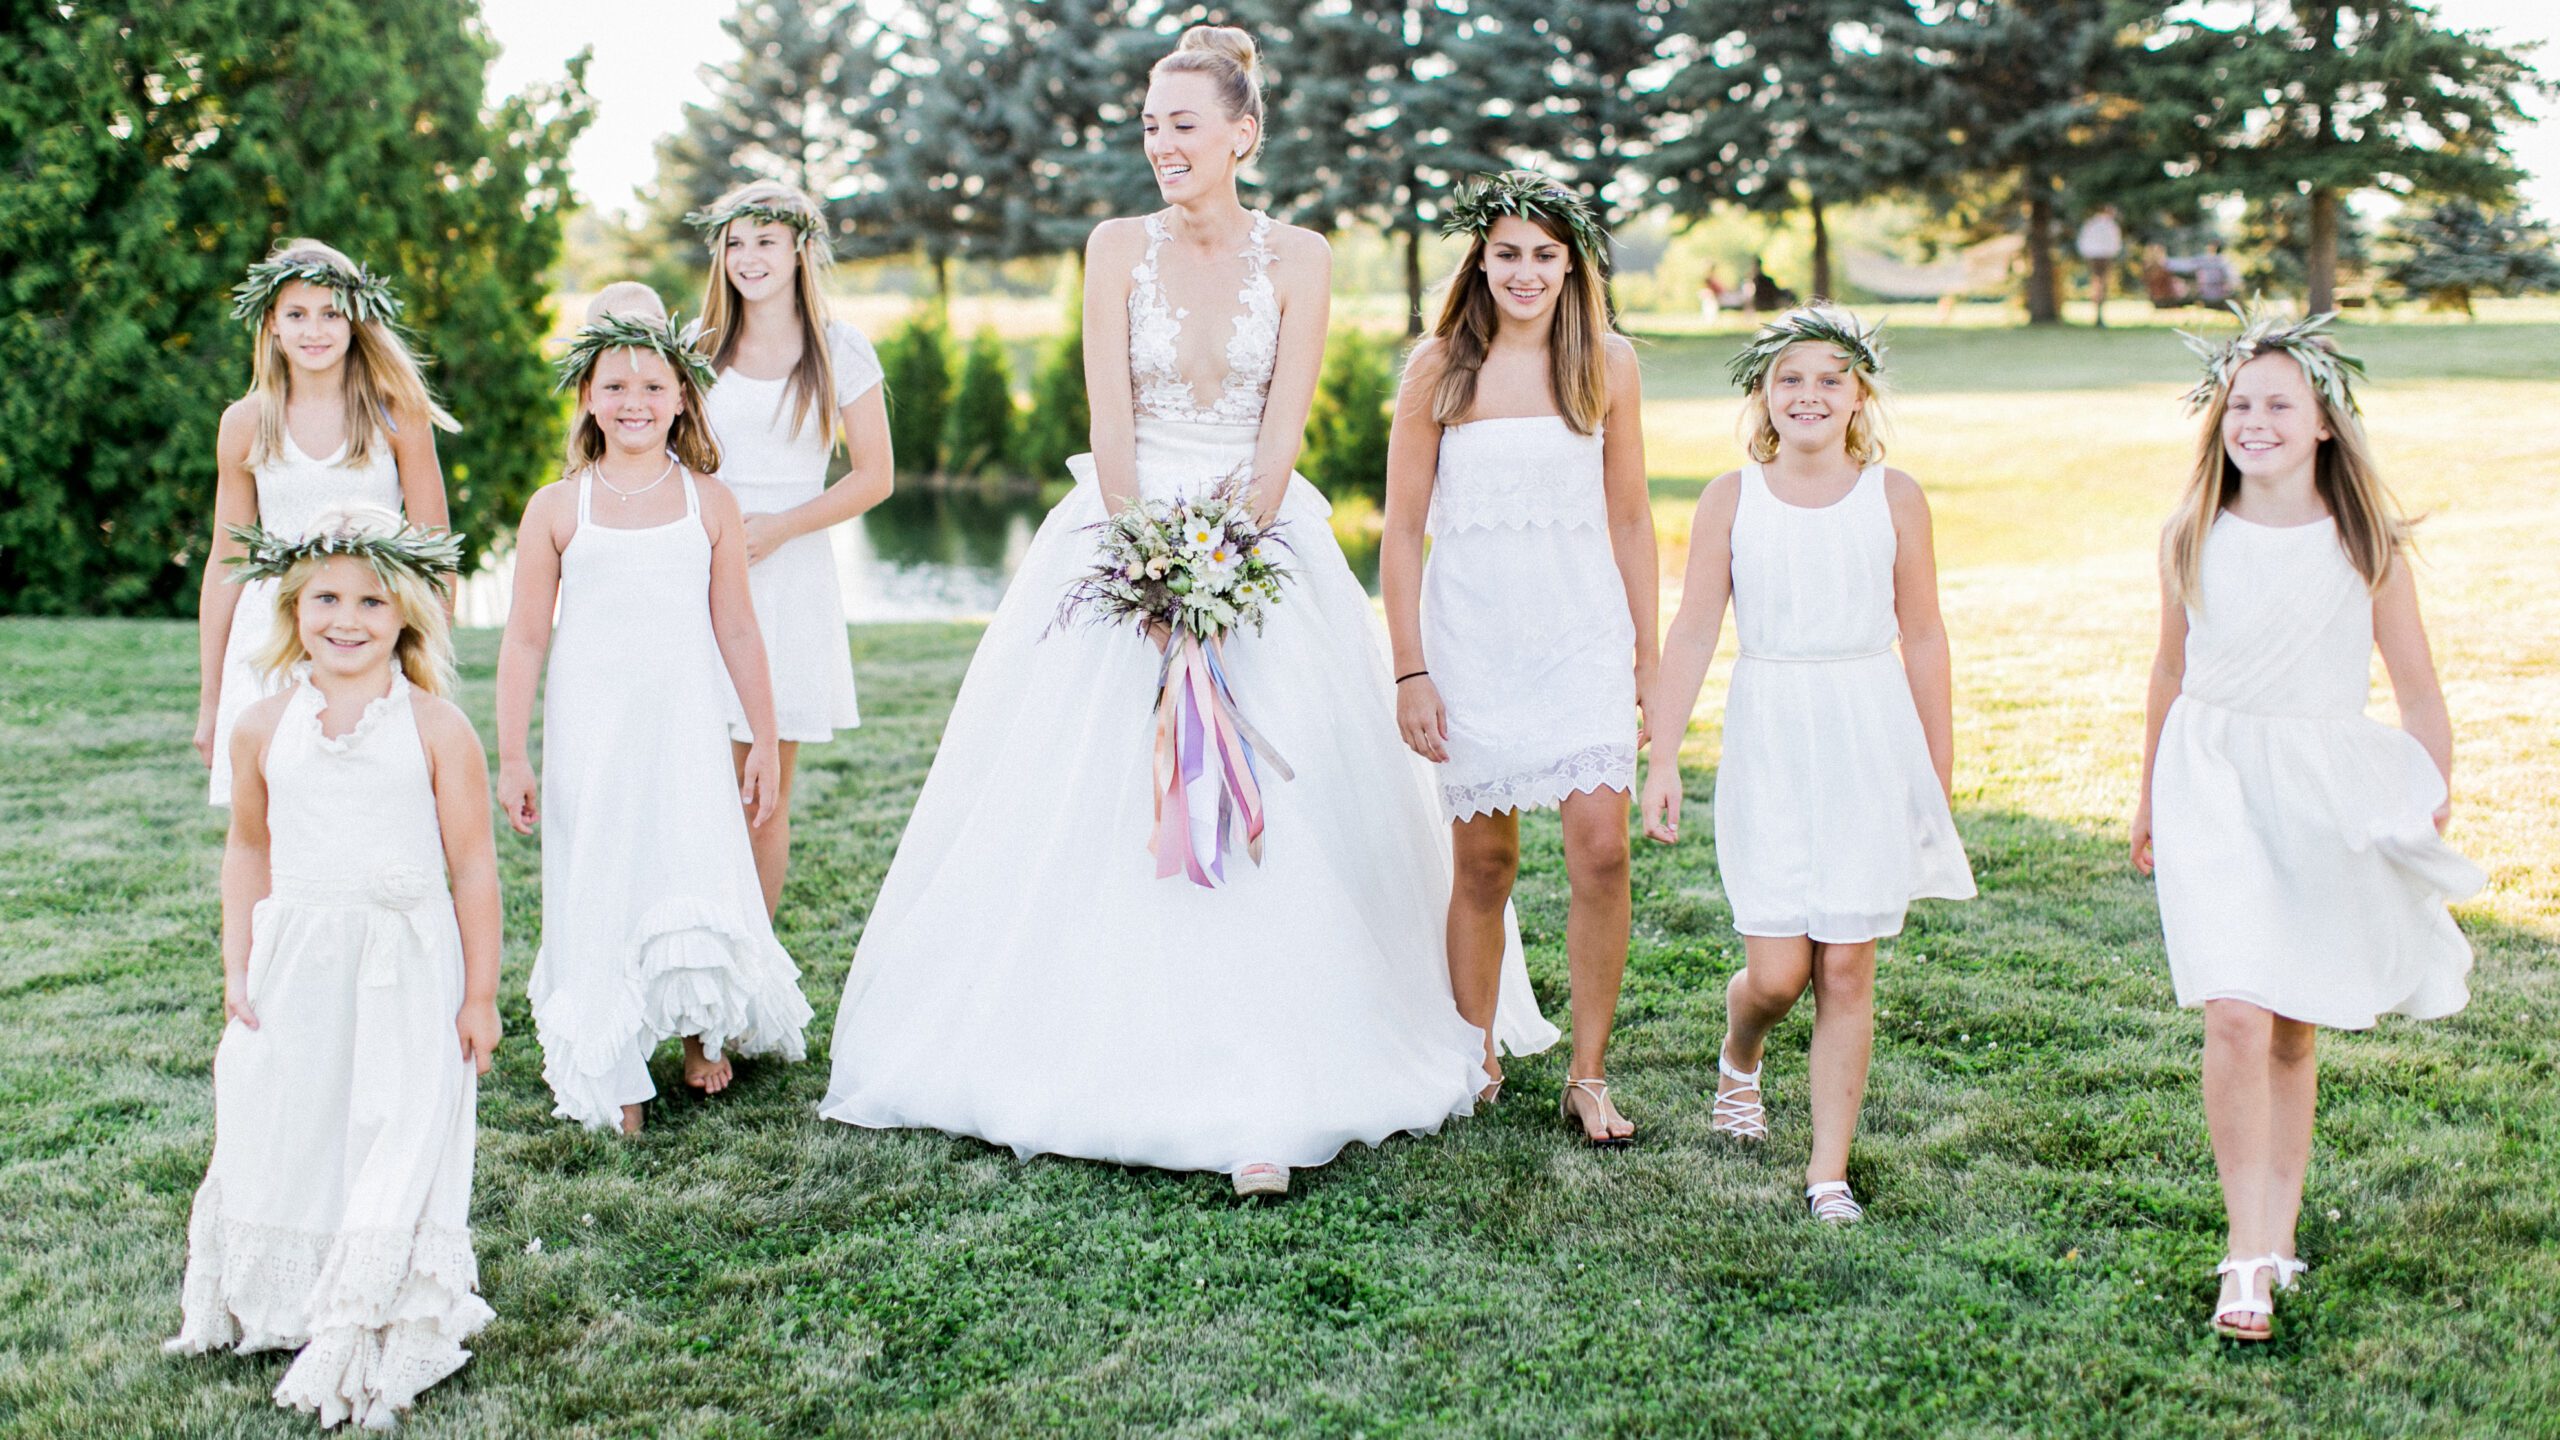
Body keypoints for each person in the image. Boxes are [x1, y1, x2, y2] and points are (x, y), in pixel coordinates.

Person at [819, 25, 1551, 1198]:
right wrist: (1149, 567)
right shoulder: (1114, 246)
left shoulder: (1300, 256)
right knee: (1088, 797)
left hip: (1258, 538)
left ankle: (1282, 1068)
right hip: (1124, 531)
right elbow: (1108, 417)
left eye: (1183, 125)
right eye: (1151, 125)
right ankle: (1079, 1047)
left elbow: (1282, 427)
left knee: (1296, 809)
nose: (1161, 143)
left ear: (1241, 135)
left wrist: (1226, 559)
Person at [2132, 308, 2482, 1340]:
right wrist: (2148, 790)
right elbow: (2167, 671)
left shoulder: (2360, 545)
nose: (2256, 420)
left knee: (2289, 1023)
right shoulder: (2192, 533)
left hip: (2318, 787)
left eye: (2279, 403)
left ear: (2325, 421)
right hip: (2211, 777)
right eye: (2239, 403)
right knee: (2234, 1009)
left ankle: (2276, 1227)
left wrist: (2423, 794)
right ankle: (2243, 1254)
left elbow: (2418, 695)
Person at [1641, 306, 1976, 1224]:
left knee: (1848, 968)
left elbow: (1926, 636)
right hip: (1772, 732)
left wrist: (1933, 774)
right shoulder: (1730, 498)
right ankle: (1740, 1051)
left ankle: (1828, 1171)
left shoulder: (1894, 495)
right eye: (1790, 377)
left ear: (1861, 392)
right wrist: (1663, 753)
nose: (1811, 394)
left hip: (1867, 731)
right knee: (1781, 972)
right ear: (1763, 394)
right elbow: (1696, 627)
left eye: (1832, 377)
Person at [165, 506, 498, 1429]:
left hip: (406, 962)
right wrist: (240, 965)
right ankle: (293, 1289)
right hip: (302, 959)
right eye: (325, 599)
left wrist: (479, 994)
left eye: (370, 602)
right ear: (293, 606)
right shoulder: (262, 725)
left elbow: (473, 865)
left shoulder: (436, 727)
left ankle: (376, 1293)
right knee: (295, 1116)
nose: (345, 618)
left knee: (397, 1120)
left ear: (405, 618)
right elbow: (248, 849)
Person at [495, 285, 812, 1135]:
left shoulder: (709, 501)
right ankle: (613, 1056)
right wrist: (514, 755)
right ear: (588, 398)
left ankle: (703, 1035)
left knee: (690, 858)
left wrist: (758, 735)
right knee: (600, 872)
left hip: (680, 725)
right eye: (614, 386)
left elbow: (738, 627)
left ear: (681, 397)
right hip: (589, 731)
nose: (634, 402)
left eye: (652, 387)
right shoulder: (557, 508)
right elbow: (525, 639)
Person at [1380, 171, 1655, 1143]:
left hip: (1580, 632)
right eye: (1508, 254)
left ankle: (1587, 1074)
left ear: (1571, 263)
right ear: (1481, 261)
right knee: (1485, 862)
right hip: (1471, 640)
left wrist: (1645, 665)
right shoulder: (1438, 368)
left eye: (1545, 255)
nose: (1526, 273)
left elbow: (1630, 518)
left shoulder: (1606, 363)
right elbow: (1401, 530)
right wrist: (1410, 669)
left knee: (1601, 847)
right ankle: (1474, 1053)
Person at [684, 179, 895, 916]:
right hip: (703, 578)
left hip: (790, 578)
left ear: (801, 249)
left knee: (763, 797)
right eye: (735, 243)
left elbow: (874, 477)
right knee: (695, 785)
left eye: (765, 241)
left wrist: (780, 527)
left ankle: (751, 969)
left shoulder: (838, 348)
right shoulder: (698, 348)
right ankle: (692, 952)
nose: (748, 258)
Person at [196, 240, 458, 804]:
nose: (314, 330)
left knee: (368, 800)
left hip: (368, 630)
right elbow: (226, 559)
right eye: (297, 314)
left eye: (331, 313)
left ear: (356, 318)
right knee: (271, 810)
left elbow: (435, 544)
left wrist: (427, 663)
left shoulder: (396, 413)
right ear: (271, 322)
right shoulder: (245, 423)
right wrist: (210, 699)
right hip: (272, 637)